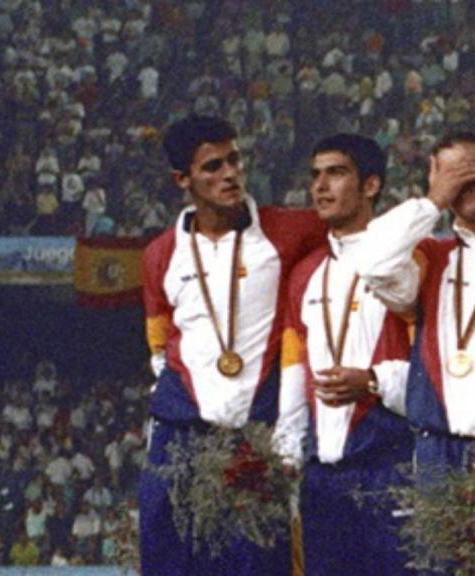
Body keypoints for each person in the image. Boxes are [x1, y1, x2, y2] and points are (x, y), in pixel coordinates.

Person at [139, 115, 327, 576]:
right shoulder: (160, 254)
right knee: (167, 558)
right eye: (212, 167)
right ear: (182, 180)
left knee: (261, 561)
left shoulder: (289, 231)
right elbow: (159, 342)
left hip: (255, 432)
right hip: (180, 432)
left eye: (234, 160)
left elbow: (360, 234)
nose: (229, 174)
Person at [350, 131, 475, 475]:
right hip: (435, 450)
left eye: (467, 173)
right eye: (448, 177)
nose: (459, 187)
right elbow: (371, 263)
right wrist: (433, 201)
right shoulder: (429, 258)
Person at [272, 134, 413, 575]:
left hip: (389, 461)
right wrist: (286, 454)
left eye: (336, 173)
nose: (320, 186)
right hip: (322, 476)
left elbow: (435, 367)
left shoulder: (410, 261)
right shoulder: (305, 274)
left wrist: (372, 381)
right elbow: (295, 370)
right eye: (315, 175)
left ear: (371, 185)